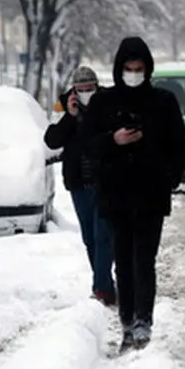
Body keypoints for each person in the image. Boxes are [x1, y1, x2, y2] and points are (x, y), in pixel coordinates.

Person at [80, 37, 185, 351]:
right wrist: (113, 140)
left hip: (150, 195)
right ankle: (127, 320)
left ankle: (143, 321)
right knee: (123, 260)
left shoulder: (163, 102)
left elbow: (179, 145)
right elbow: (87, 144)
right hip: (115, 195)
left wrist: (168, 176)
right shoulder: (103, 103)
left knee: (145, 260)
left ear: (147, 69)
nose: (133, 74)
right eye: (128, 68)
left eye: (139, 68)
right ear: (119, 69)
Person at [44, 66, 116, 306]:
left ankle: (101, 288)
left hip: (105, 181)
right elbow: (52, 140)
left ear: (96, 86)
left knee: (103, 235)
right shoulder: (63, 106)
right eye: (81, 89)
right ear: (74, 90)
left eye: (89, 88)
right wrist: (70, 116)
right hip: (78, 183)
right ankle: (105, 284)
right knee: (90, 238)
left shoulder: (107, 102)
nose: (86, 92)